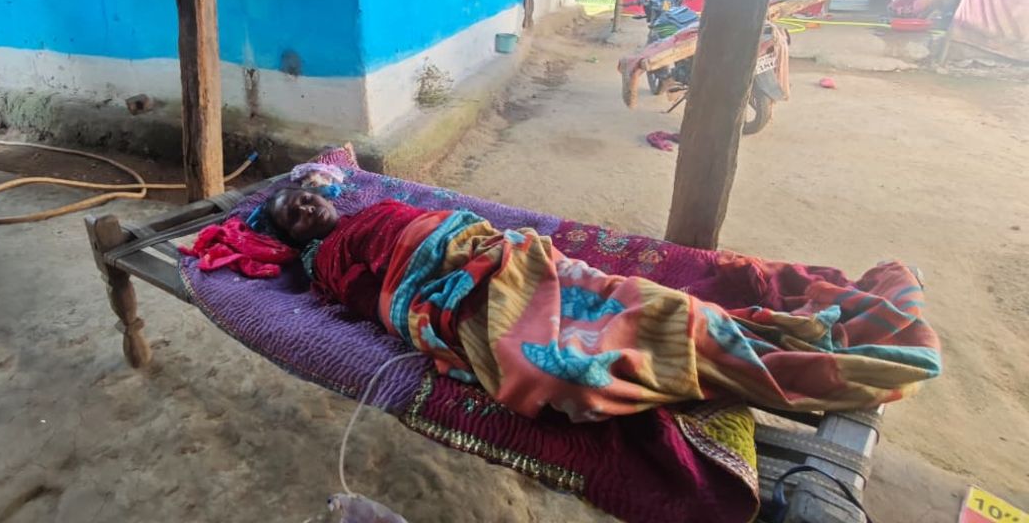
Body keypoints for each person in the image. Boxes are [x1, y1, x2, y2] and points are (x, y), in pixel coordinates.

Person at [261, 185, 939, 422]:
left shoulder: (380, 203)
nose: (305, 206)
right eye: (292, 214)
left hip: (505, 258)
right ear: (296, 237)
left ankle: (771, 340)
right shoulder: (325, 264)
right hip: (457, 299)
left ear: (328, 193)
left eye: (305, 196)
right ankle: (780, 363)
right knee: (553, 367)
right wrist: (436, 297)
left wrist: (481, 250)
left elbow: (453, 223)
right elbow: (380, 302)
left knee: (648, 302)